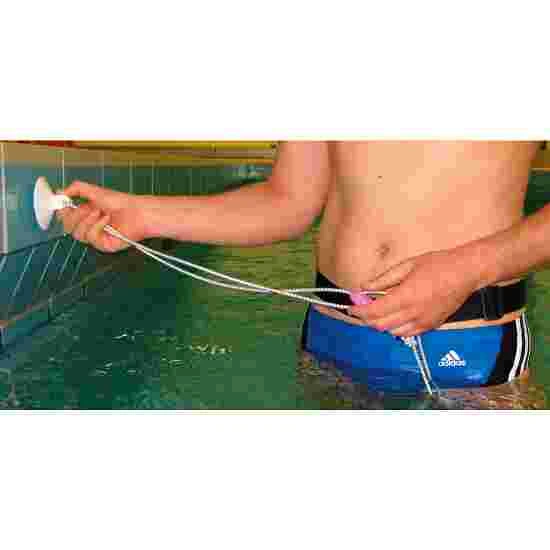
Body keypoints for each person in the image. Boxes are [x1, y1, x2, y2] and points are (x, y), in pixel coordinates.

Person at [58, 141, 547, 393]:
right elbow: (288, 200)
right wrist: (143, 216)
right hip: (330, 337)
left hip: (467, 344)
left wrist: (467, 269)